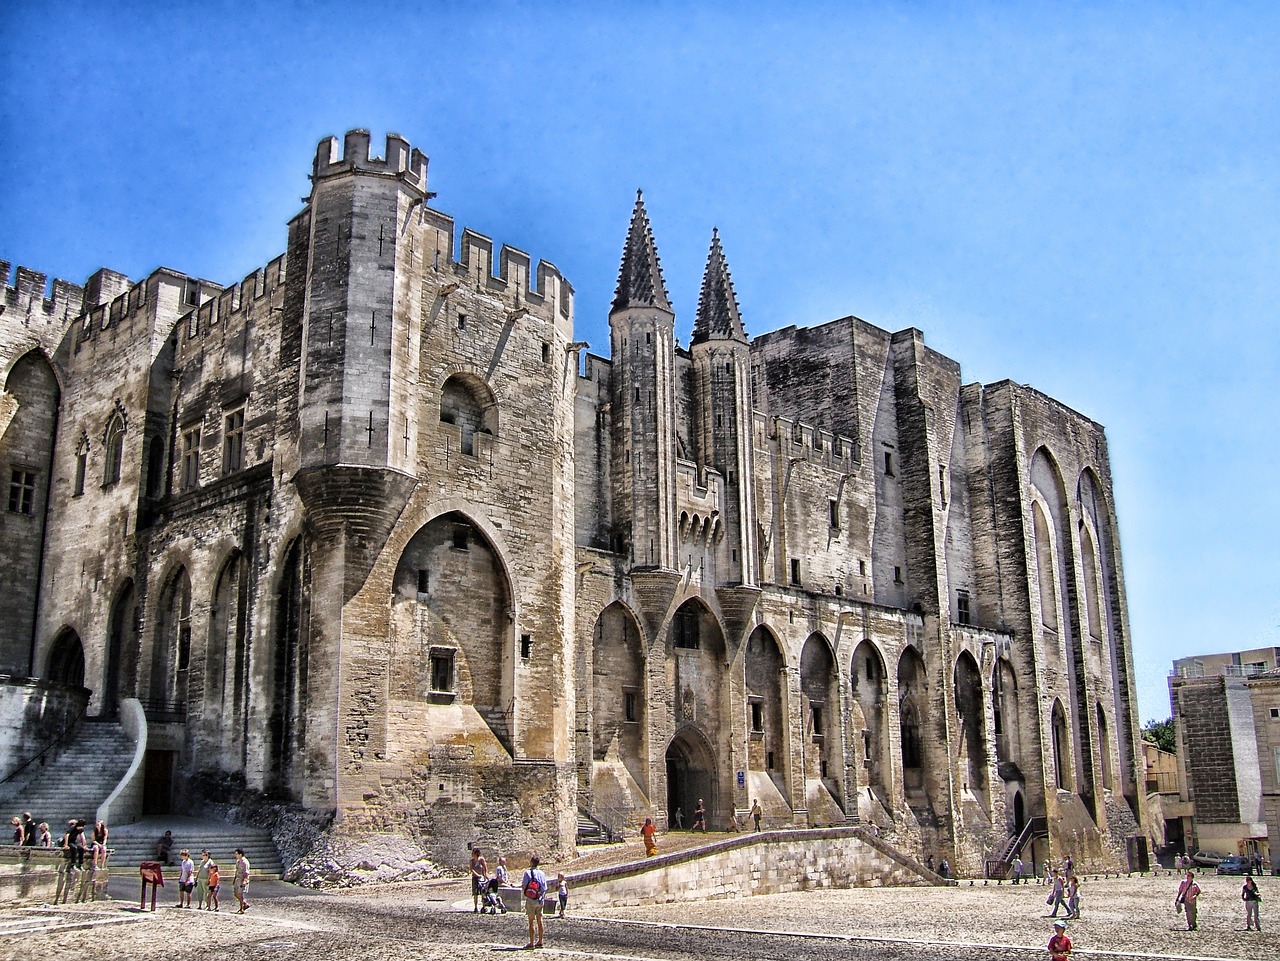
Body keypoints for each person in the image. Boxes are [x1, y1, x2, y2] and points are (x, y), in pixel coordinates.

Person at [522, 854, 548, 949]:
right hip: (540, 899)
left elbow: (524, 886)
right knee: (540, 920)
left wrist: (528, 895)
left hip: (531, 899)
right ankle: (540, 941)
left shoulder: (527, 873)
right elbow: (544, 888)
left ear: (531, 862)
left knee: (531, 921)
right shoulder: (542, 873)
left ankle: (531, 943)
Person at [470, 847, 489, 913]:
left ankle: (484, 906)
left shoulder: (481, 859)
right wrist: (477, 875)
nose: (472, 854)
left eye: (473, 853)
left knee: (483, 892)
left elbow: (485, 867)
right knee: (475, 893)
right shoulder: (471, 861)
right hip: (475, 878)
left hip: (482, 878)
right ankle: (475, 907)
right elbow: (472, 869)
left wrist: (485, 875)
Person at [233, 848, 251, 914]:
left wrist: (244, 881)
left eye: (237, 854)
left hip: (242, 879)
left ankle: (241, 908)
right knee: (235, 893)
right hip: (238, 878)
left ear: (240, 854)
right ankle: (244, 903)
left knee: (240, 894)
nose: (235, 855)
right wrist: (234, 879)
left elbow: (246, 873)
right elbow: (237, 871)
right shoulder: (238, 861)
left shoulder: (244, 862)